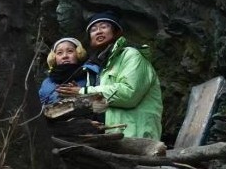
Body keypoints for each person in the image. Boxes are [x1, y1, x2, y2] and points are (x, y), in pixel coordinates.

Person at [57, 11, 163, 139]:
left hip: (135, 134)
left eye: (104, 27)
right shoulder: (99, 67)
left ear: (117, 32)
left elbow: (129, 94)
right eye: (93, 30)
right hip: (110, 135)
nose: (98, 31)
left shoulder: (131, 55)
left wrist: (84, 91)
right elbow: (98, 104)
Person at [38, 37, 99, 106]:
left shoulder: (91, 74)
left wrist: (81, 93)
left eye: (70, 51)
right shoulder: (47, 83)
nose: (65, 56)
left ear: (79, 54)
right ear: (53, 58)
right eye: (59, 53)